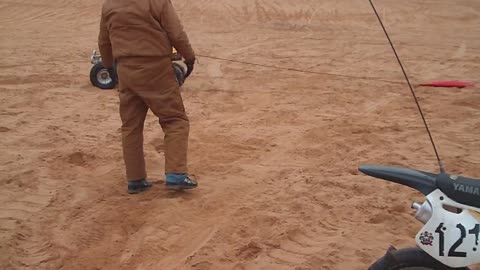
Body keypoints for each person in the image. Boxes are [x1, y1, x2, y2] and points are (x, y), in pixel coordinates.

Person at [98, 0, 197, 194]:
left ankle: (135, 180)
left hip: (126, 70)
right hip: (157, 68)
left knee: (131, 127)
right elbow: (176, 33)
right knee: (174, 120)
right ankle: (176, 174)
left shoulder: (109, 5)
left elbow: (104, 41)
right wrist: (190, 57)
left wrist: (109, 66)